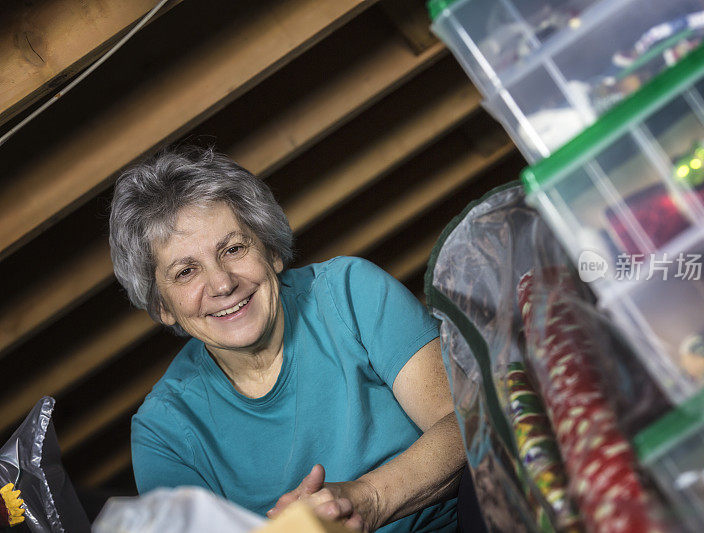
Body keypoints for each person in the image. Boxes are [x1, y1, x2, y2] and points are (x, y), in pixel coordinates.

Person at [108, 145, 466, 531]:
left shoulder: (348, 292)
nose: (223, 283)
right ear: (163, 307)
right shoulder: (163, 431)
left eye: (233, 248)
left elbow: (465, 423)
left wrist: (367, 498)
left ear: (272, 251)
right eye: (185, 272)